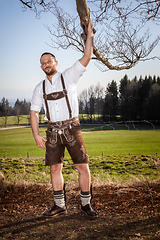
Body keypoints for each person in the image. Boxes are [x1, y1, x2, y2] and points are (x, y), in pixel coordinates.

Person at [30, 19, 98, 219]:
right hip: (52, 132)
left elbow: (87, 55)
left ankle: (86, 204)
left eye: (49, 61)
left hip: (72, 128)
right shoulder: (39, 88)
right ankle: (59, 205)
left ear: (56, 63)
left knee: (82, 167)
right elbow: (34, 112)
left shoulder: (69, 76)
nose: (46, 64)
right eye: (43, 63)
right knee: (54, 169)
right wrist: (35, 134)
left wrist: (90, 35)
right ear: (41, 67)